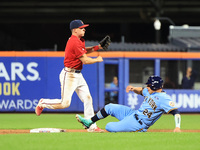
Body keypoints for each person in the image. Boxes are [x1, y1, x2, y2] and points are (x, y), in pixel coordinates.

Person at [35, 19, 108, 132]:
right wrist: (97, 59)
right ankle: (43, 103)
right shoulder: (74, 41)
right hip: (69, 75)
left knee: (88, 98)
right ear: (74, 30)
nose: (84, 29)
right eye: (81, 27)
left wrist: (98, 47)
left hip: (78, 75)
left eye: (84, 27)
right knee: (65, 103)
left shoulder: (79, 40)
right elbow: (85, 60)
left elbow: (83, 51)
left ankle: (91, 126)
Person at [76, 75, 181, 132]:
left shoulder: (164, 98)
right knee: (109, 107)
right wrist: (133, 88)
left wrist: (177, 127)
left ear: (155, 86)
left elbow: (176, 112)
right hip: (132, 114)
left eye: (149, 85)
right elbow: (141, 90)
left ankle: (137, 131)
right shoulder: (149, 91)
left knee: (109, 126)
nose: (147, 87)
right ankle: (89, 122)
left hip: (139, 124)